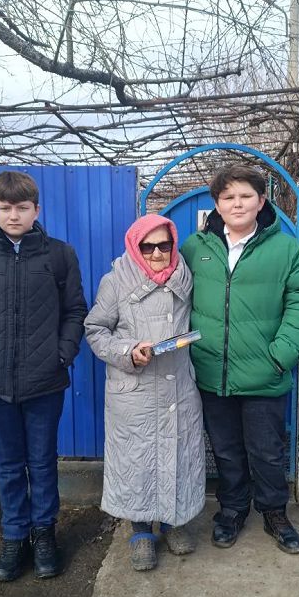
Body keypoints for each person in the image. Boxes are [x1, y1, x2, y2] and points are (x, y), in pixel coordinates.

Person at [0, 171, 87, 581]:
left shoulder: (59, 255)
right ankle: (13, 537)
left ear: (36, 209)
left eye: (22, 207)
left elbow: (75, 310)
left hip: (45, 383)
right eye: (5, 208)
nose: (13, 215)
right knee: (7, 467)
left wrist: (62, 354)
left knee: (42, 464)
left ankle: (44, 535)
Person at [181, 164, 299, 553]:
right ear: (217, 204)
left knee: (267, 451)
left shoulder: (288, 251)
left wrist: (280, 357)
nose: (237, 203)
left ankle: (275, 513)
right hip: (212, 373)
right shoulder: (195, 248)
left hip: (265, 374)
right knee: (226, 450)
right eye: (228, 197)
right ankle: (231, 511)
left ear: (261, 201)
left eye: (246, 196)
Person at [84, 214, 205, 572]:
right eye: (147, 246)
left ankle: (172, 521)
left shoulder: (186, 277)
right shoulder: (116, 281)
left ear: (173, 244)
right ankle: (140, 532)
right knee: (136, 461)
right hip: (134, 390)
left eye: (163, 245)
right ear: (135, 248)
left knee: (177, 453)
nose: (156, 253)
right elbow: (95, 330)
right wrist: (128, 351)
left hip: (178, 386)